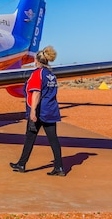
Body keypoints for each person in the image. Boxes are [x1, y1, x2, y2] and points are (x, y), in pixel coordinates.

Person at [10, 45, 66, 176]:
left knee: (30, 138)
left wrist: (33, 112)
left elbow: (36, 93)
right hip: (51, 110)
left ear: (37, 61)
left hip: (40, 112)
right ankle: (59, 167)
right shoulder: (51, 75)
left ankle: (21, 164)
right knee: (53, 140)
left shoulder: (37, 74)